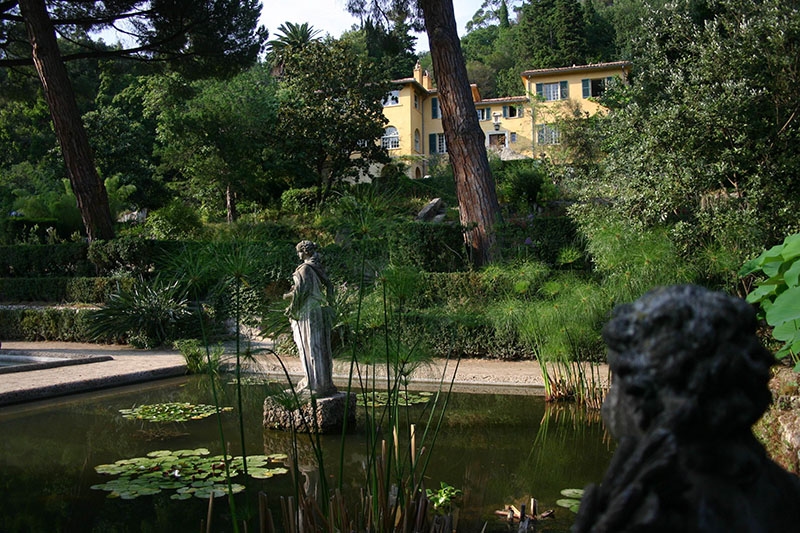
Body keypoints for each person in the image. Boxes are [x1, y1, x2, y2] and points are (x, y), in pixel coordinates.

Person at [283, 240, 336, 397]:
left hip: (306, 311)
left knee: (308, 345)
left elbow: (301, 292)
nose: (298, 255)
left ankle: (313, 384)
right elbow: (330, 286)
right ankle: (323, 383)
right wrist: (331, 305)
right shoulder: (316, 268)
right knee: (318, 346)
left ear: (304, 252)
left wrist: (290, 306)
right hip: (318, 310)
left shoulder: (304, 269)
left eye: (299, 252)